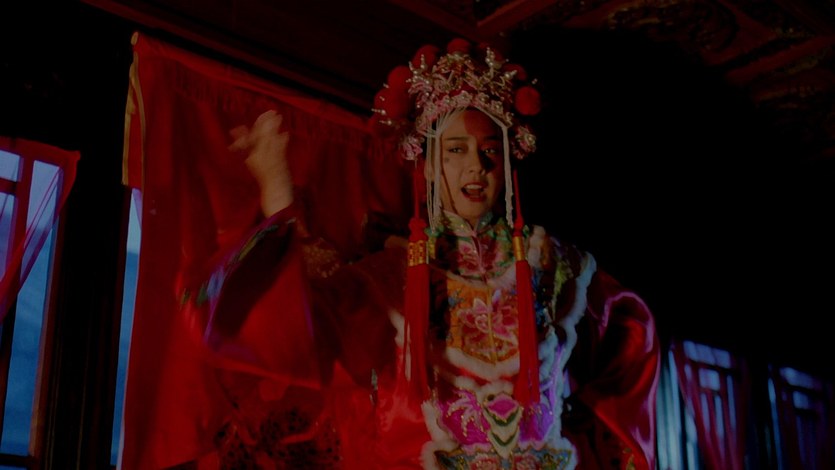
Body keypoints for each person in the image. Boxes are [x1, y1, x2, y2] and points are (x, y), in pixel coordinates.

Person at [182, 38, 660, 469]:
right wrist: (276, 196)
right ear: (428, 168)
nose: (475, 166)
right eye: (455, 150)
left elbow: (632, 346)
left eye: (489, 150)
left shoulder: (558, 268)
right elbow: (289, 334)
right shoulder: (388, 280)